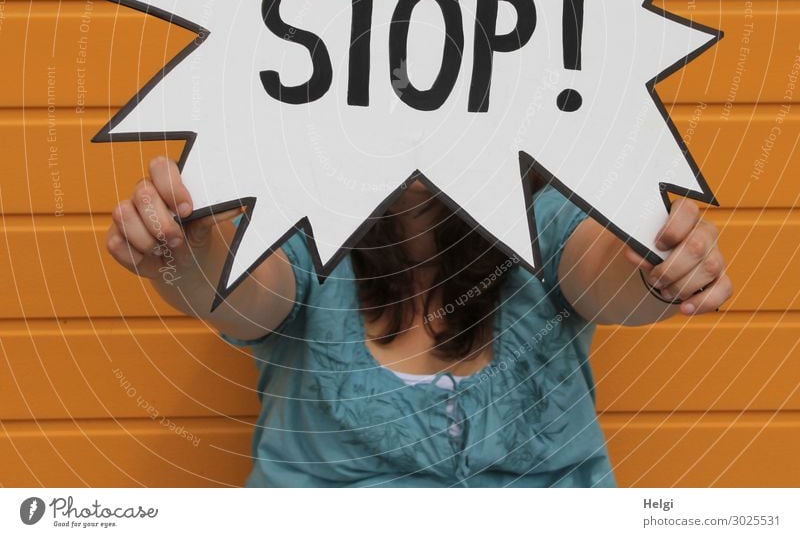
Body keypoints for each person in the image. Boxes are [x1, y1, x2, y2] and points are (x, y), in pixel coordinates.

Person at [106, 156, 732, 487]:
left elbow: (608, 270)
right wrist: (181, 248)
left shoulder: (545, 221)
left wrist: (661, 268)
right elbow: (240, 288)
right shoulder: (299, 230)